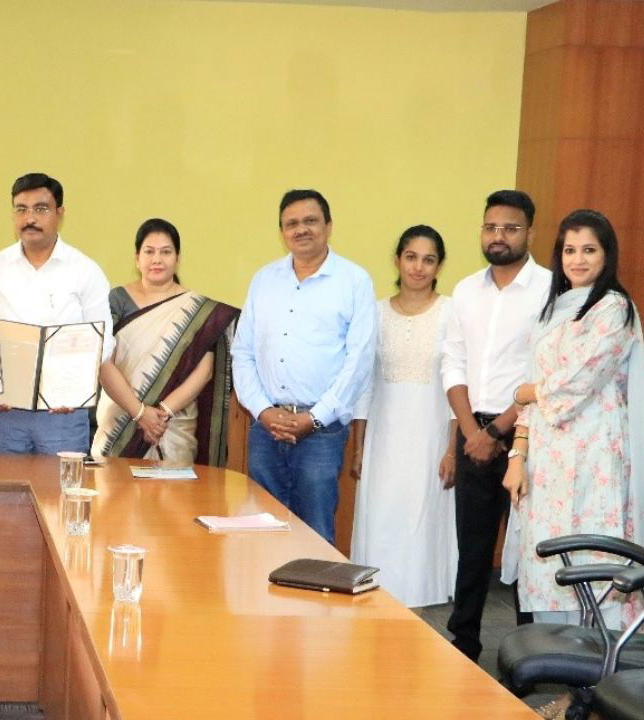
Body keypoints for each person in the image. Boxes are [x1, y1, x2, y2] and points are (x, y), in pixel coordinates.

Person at [504, 209, 642, 627]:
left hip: (595, 456)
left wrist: (525, 391)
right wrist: (517, 455)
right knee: (547, 558)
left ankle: (596, 679)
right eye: (569, 250)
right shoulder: (552, 312)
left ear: (607, 256)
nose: (577, 259)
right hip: (547, 462)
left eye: (589, 250)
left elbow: (575, 383)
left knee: (592, 558)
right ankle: (565, 680)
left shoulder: (614, 310)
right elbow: (533, 387)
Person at [441, 189, 550, 662]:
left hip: (528, 435)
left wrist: (498, 431)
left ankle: (532, 653)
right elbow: (453, 364)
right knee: (473, 547)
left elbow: (544, 373)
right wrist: (470, 433)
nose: (498, 236)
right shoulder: (466, 290)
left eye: (510, 228)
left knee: (528, 550)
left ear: (530, 231)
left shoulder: (551, 289)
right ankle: (463, 643)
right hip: (474, 434)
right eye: (491, 227)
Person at [231, 189, 376, 544]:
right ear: (282, 232)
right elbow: (243, 352)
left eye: (310, 221)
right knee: (263, 530)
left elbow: (359, 361)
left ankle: (316, 601)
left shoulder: (354, 281)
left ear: (328, 226)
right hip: (267, 428)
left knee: (314, 532)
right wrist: (263, 411)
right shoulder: (263, 280)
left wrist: (315, 418)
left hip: (321, 432)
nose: (301, 230)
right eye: (291, 224)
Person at [0, 172, 115, 454]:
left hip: (62, 411)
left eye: (40, 209)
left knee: (60, 494)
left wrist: (73, 387)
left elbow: (103, 340)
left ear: (60, 213)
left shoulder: (84, 270)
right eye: (21, 210)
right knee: (8, 492)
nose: (29, 218)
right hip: (7, 409)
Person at [350, 225, 457, 608]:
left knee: (423, 516)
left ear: (439, 266)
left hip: (431, 433)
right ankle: (377, 592)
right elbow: (364, 384)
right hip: (384, 433)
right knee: (381, 515)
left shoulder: (451, 312)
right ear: (398, 259)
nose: (418, 267)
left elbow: (459, 384)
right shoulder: (375, 313)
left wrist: (452, 448)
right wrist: (360, 445)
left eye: (429, 260)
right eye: (411, 257)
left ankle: (423, 597)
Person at [92, 218, 239, 465]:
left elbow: (204, 372)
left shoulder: (197, 311)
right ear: (137, 258)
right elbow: (103, 361)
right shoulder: (116, 300)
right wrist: (139, 413)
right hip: (121, 420)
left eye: (166, 252)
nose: (157, 259)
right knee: (115, 498)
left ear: (177, 258)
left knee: (173, 501)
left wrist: (161, 414)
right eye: (149, 252)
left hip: (174, 423)